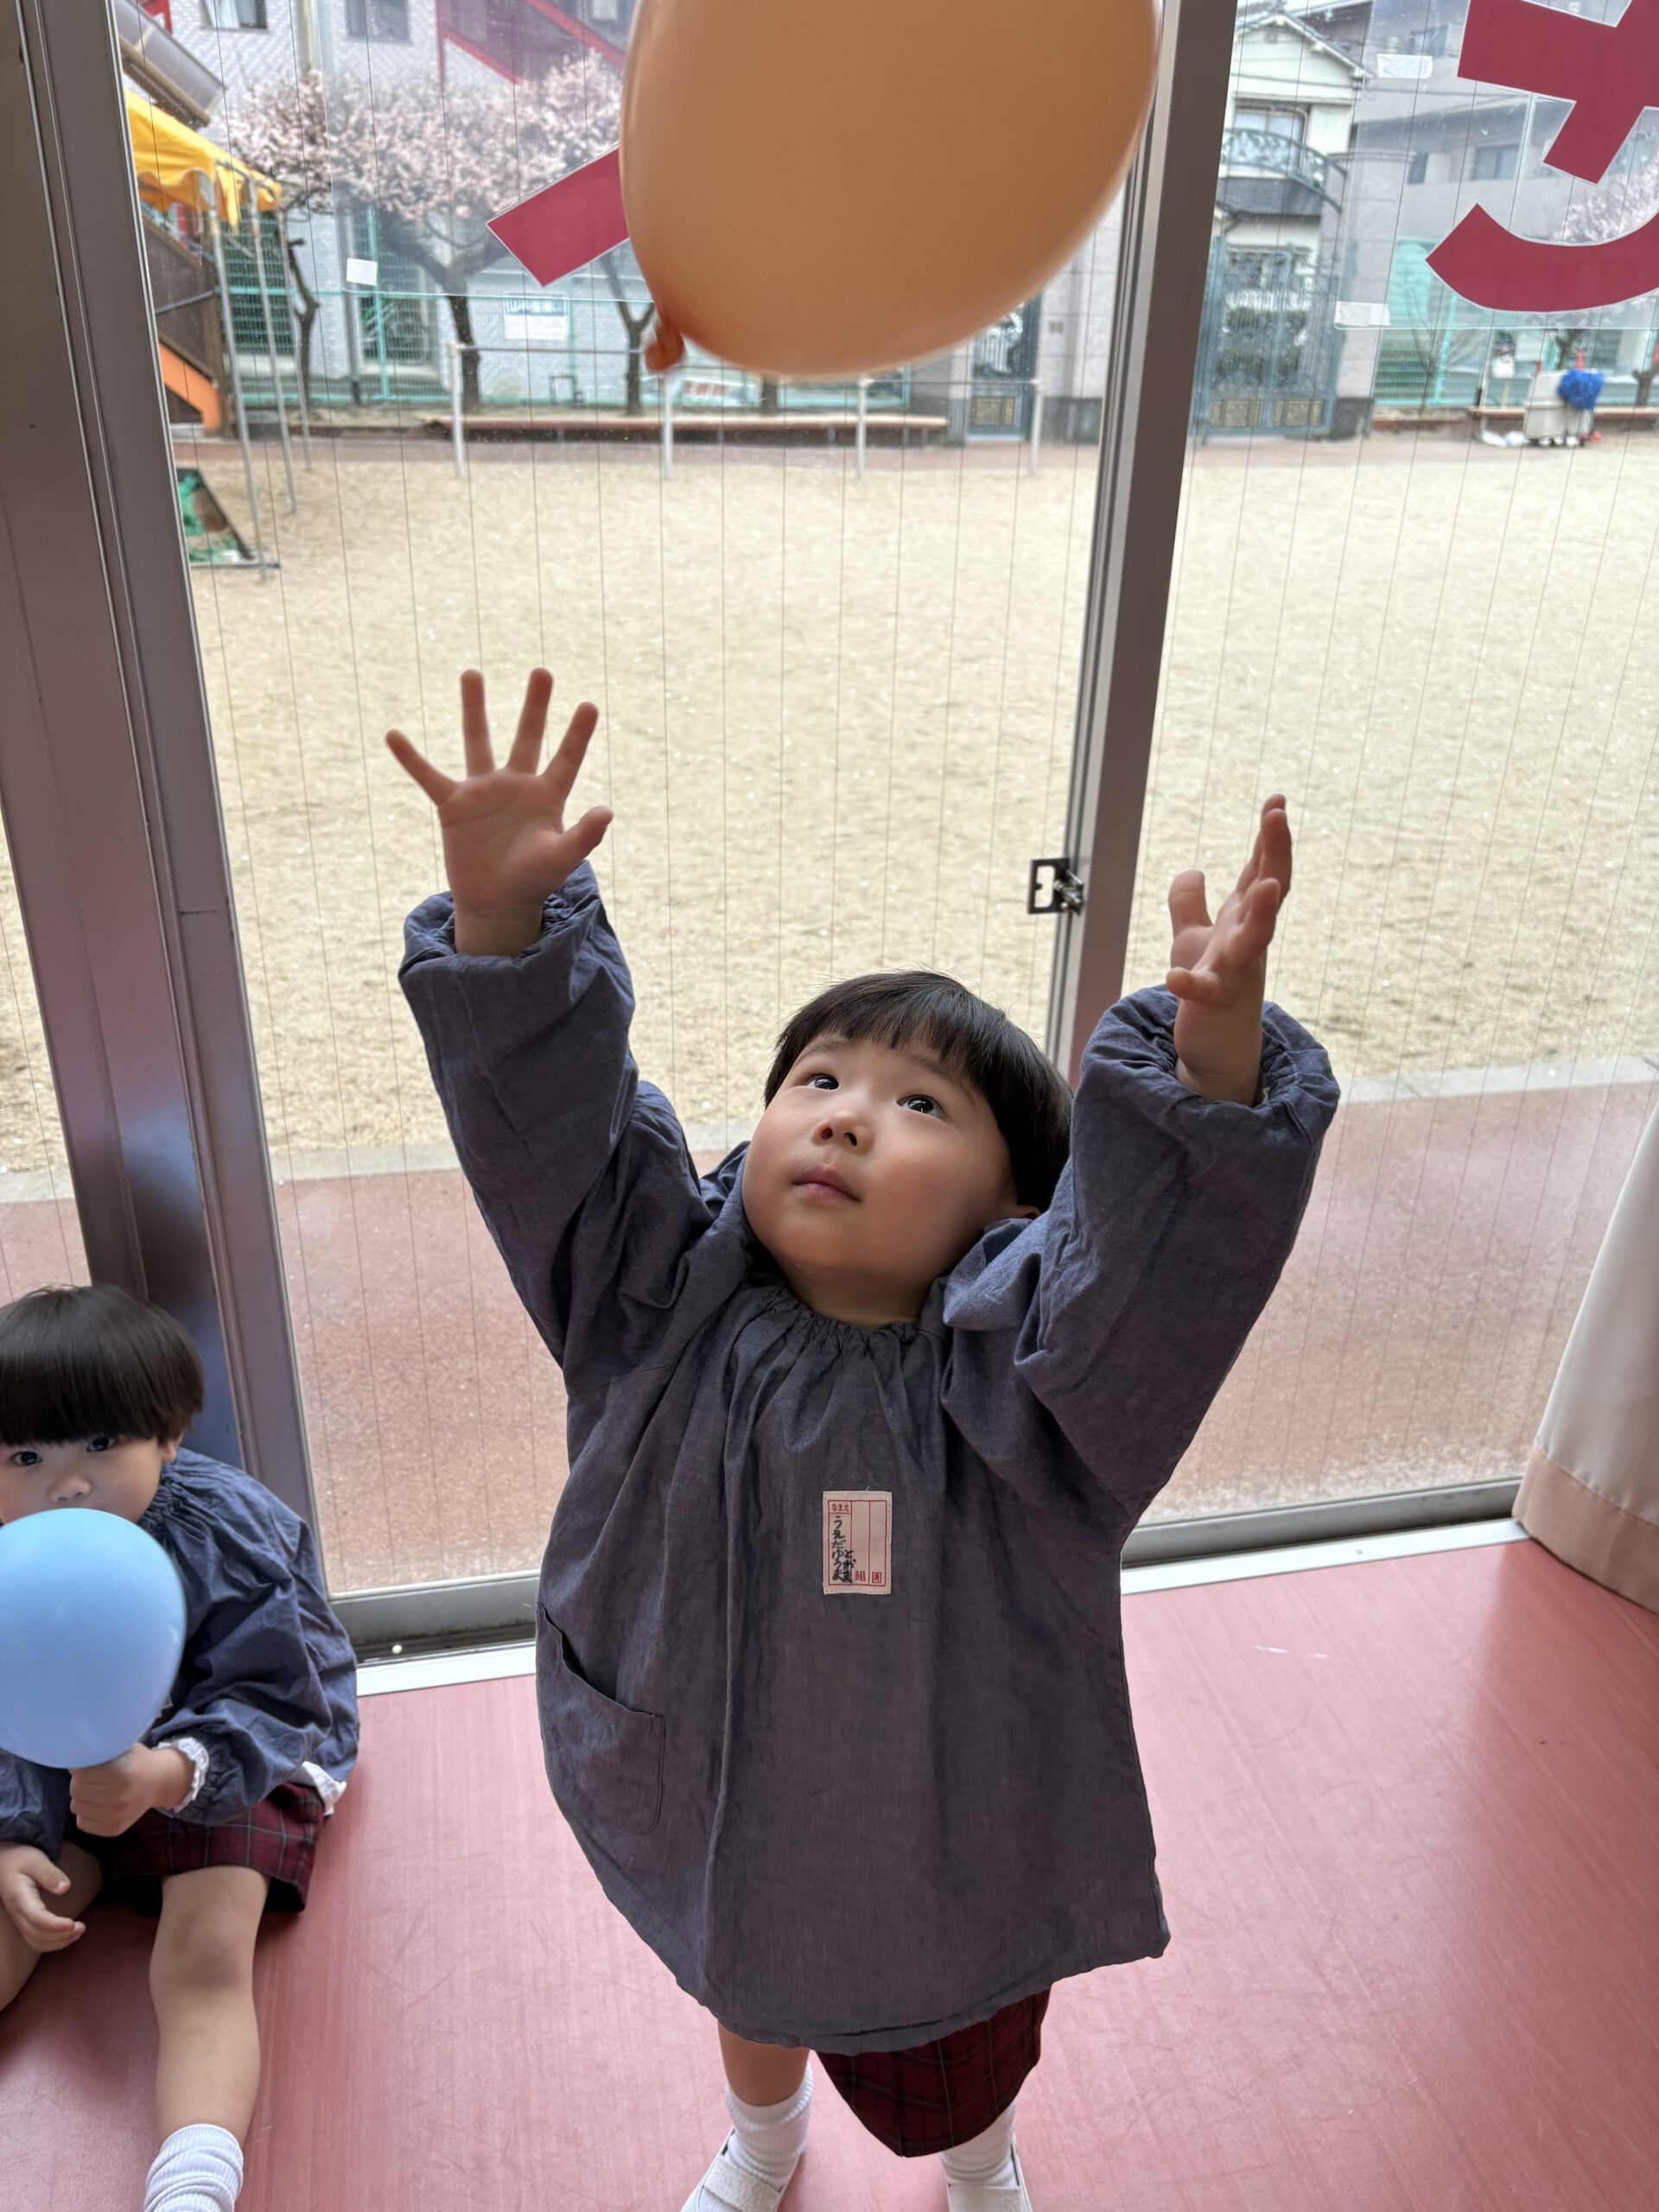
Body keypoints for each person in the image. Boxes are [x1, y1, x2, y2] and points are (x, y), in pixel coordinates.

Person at [391, 668, 1338, 2211]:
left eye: (920, 1106)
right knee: (741, 1970)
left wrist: (1208, 1074)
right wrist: (504, 931)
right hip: (711, 1778)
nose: (842, 1115)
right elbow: (550, 1135)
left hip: (946, 1822)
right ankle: (763, 2142)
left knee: (973, 2031)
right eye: (818, 1079)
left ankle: (983, 2161)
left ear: (1024, 1207)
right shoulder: (653, 1291)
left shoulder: (1040, 1379)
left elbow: (1153, 1271)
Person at [0, 1285, 359, 2212]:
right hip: (67, 1781)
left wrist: (165, 1773)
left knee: (201, 1954)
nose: (65, 1484)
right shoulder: (12, 1547)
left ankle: (193, 2185)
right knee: (16, 1912)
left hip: (232, 1763)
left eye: (100, 1443)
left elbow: (277, 1694)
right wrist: (11, 1837)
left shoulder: (223, 1525)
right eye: (26, 1455)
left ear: (168, 1437)